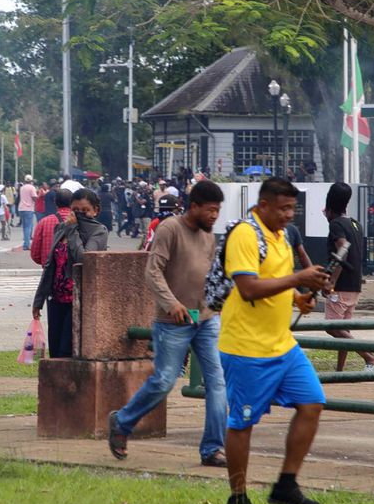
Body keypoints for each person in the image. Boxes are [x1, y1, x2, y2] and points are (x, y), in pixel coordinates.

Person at [218, 177, 330, 504]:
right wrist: (299, 279)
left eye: (292, 208)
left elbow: (274, 280)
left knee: (312, 402)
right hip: (246, 348)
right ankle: (237, 496)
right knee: (243, 422)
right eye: (283, 208)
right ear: (263, 205)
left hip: (283, 346)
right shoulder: (245, 234)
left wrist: (298, 298)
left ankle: (286, 484)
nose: (288, 215)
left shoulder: (280, 237)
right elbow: (249, 288)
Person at [109, 180, 227, 465]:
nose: (214, 216)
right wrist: (171, 302)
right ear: (195, 206)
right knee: (164, 380)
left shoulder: (210, 237)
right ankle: (122, 423)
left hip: (206, 320)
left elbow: (211, 276)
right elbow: (153, 271)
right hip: (173, 321)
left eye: (218, 211)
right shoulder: (170, 229)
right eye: (210, 210)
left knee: (218, 382)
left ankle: (212, 448)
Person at [32, 188, 109, 356]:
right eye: (76, 210)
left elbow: (83, 258)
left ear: (95, 211)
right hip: (56, 298)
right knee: (55, 349)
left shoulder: (98, 231)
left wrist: (73, 230)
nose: (80, 214)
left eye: (85, 210)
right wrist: (39, 300)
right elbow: (50, 265)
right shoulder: (60, 228)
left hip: (78, 299)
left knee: (67, 349)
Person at [321, 183, 374, 372]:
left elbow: (343, 250)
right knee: (343, 330)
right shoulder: (355, 223)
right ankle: (340, 370)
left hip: (341, 285)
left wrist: (331, 281)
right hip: (355, 285)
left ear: (329, 205)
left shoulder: (336, 224)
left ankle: (371, 357)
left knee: (331, 327)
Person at [29, 187, 73, 266]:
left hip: (49, 271)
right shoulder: (79, 221)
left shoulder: (44, 222)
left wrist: (46, 262)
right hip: (72, 271)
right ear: (72, 203)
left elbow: (35, 254)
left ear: (55, 202)